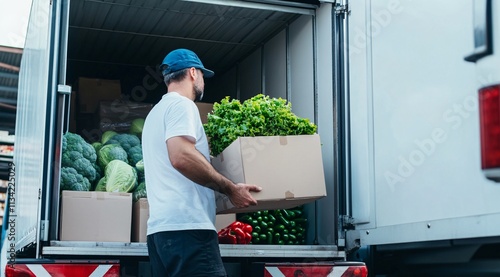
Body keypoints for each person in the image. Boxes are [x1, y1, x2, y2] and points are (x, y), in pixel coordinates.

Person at [142, 48, 262, 277]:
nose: (203, 82)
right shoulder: (182, 106)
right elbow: (181, 157)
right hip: (188, 230)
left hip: (160, 234)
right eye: (203, 76)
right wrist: (230, 189)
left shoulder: (155, 114)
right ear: (193, 73)